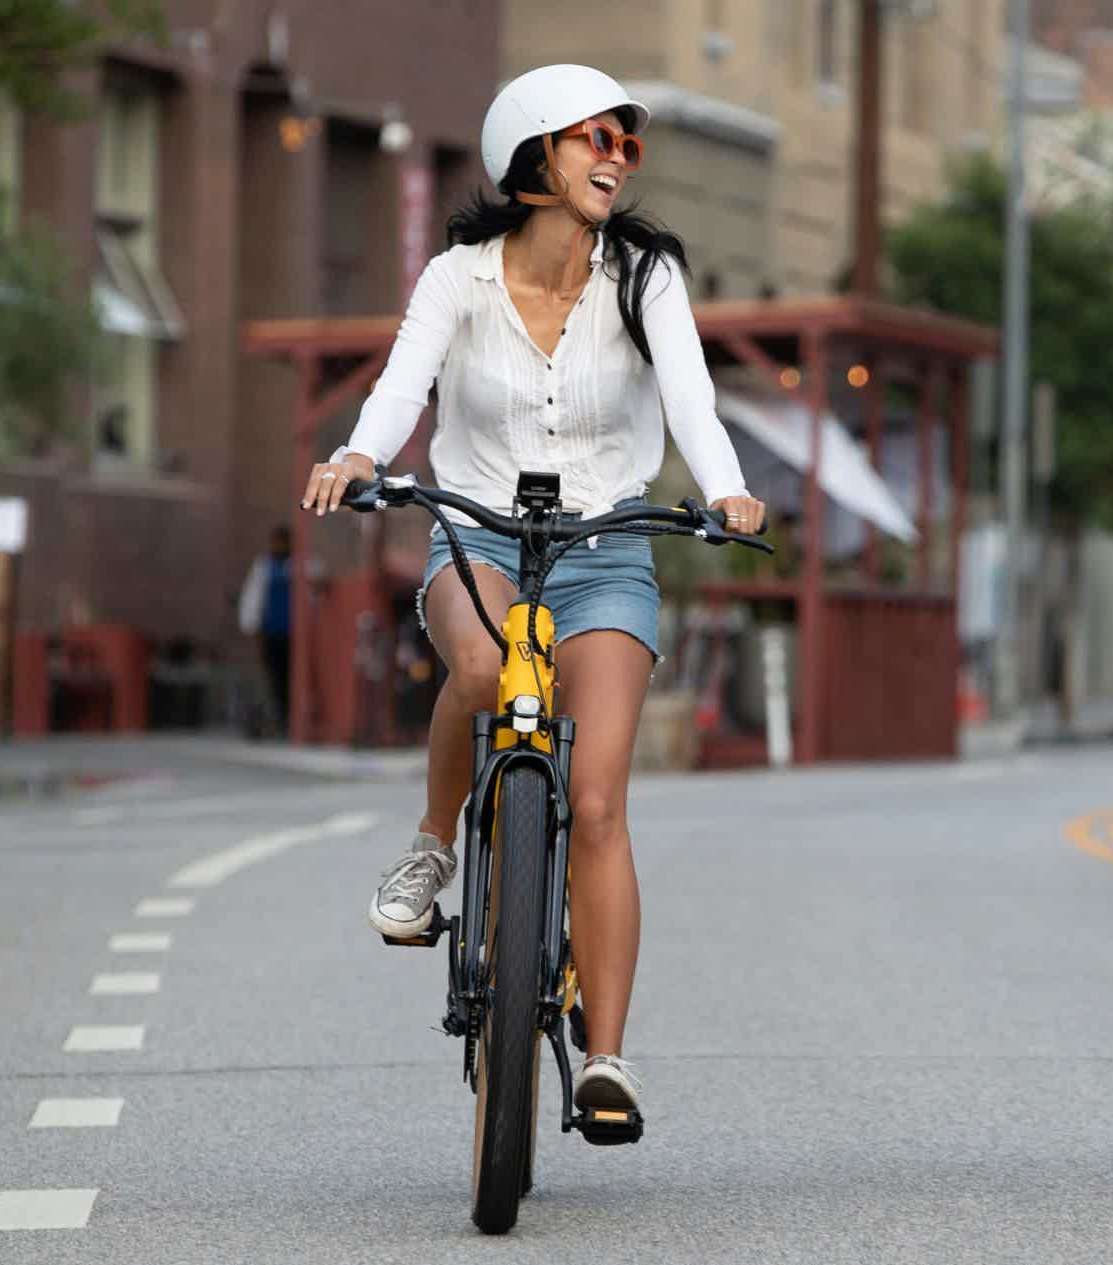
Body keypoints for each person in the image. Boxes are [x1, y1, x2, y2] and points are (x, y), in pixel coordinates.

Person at [297, 64, 765, 1124]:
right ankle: (430, 845)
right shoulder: (455, 279)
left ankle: (605, 1057)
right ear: (532, 157)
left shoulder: (645, 276)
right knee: (479, 661)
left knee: (597, 797)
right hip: (482, 537)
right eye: (593, 137)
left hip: (606, 547)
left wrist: (729, 489)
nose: (613, 156)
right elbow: (398, 386)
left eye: (625, 143)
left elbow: (690, 397)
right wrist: (357, 456)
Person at [235, 524, 294, 732]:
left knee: (291, 675)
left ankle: (289, 715)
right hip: (271, 631)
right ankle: (279, 715)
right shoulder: (264, 566)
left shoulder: (299, 564)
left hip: (294, 633)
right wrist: (250, 624)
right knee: (274, 675)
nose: (279, 545)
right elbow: (253, 597)